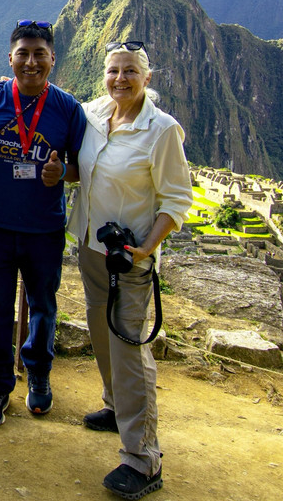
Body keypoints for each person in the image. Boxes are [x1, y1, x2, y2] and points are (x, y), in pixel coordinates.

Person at [66, 41, 192, 500]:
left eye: (131, 72)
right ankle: (116, 406)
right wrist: (10, 87)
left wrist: (146, 249)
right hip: (90, 247)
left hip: (129, 260)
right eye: (114, 71)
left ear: (147, 77)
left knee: (129, 347)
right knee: (101, 332)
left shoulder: (161, 131)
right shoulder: (96, 113)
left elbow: (177, 199)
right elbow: (71, 139)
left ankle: (142, 459)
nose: (121, 79)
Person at [0, 20, 86, 426]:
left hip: (44, 230)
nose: (30, 62)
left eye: (39, 54)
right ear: (10, 58)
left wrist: (59, 172)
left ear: (52, 59)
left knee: (44, 308)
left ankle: (39, 375)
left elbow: (81, 167)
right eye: (23, 54)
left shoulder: (67, 108)